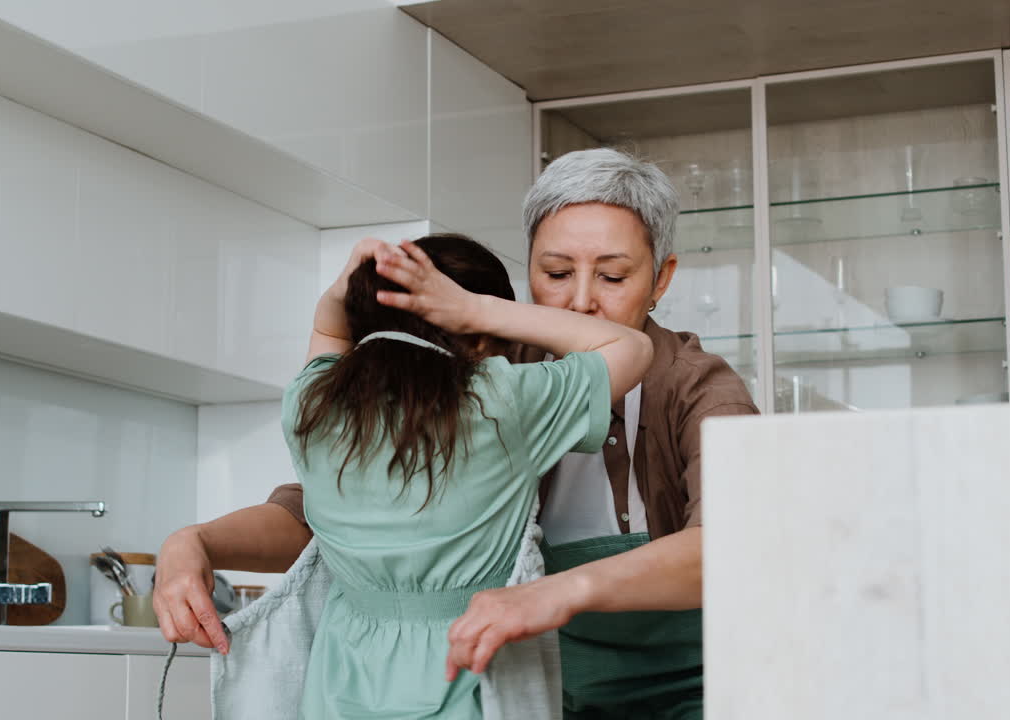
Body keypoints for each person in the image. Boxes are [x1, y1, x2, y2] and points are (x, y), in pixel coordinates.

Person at [155, 148, 760, 719]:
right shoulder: (492, 371)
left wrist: (557, 593)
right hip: (536, 681)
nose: (578, 302)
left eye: (612, 277)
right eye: (554, 272)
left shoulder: (700, 388)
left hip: (696, 685)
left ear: (661, 279)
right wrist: (195, 543)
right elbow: (330, 513)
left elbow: (735, 546)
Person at [258, 233, 649, 718]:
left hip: (340, 681)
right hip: (470, 670)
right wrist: (479, 310)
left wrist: (346, 286)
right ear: (480, 333)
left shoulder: (310, 402)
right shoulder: (499, 401)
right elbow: (632, 347)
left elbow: (331, 333)